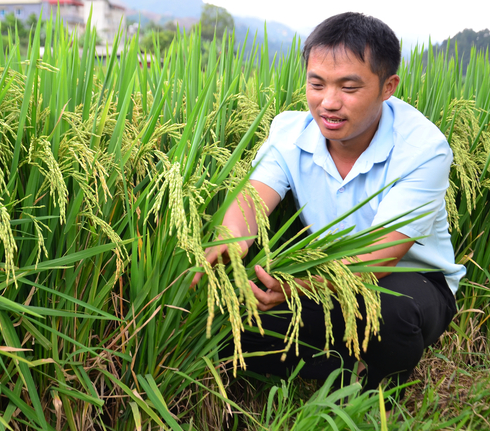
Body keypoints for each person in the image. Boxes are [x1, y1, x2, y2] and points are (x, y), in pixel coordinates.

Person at [192, 12, 466, 400]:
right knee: (232, 324)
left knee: (392, 314)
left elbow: (378, 258)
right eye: (316, 84)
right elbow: (252, 198)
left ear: (388, 86)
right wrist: (231, 239)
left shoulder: (423, 149)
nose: (329, 103)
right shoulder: (291, 132)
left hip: (410, 280)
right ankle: (339, 367)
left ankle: (380, 379)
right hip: (321, 276)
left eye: (349, 87)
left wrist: (298, 290)